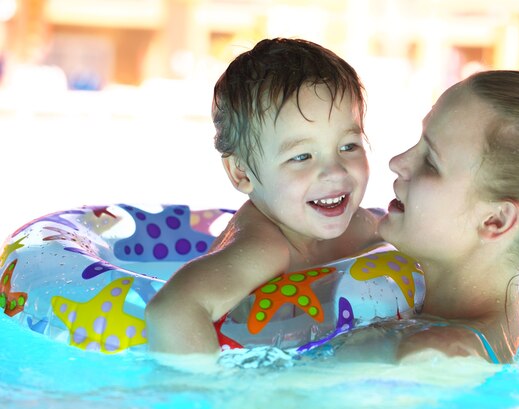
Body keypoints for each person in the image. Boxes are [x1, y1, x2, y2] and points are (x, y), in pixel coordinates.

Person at [340, 70, 519, 364]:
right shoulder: (496, 315)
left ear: (496, 221)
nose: (397, 162)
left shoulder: (432, 357)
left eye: (430, 163)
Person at [146, 38, 382, 355]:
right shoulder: (265, 248)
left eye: (348, 146)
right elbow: (171, 310)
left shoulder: (360, 225)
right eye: (302, 157)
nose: (336, 172)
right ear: (241, 173)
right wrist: (203, 393)